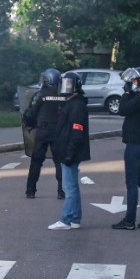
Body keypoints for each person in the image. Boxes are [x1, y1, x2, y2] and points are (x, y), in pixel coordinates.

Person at [111, 66, 140, 231]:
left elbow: (122, 110)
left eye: (134, 81)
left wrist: (126, 93)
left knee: (131, 183)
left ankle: (129, 219)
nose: (132, 83)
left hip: (134, 145)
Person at [49, 71, 89, 230]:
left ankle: (65, 219)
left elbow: (77, 132)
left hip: (69, 151)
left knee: (69, 188)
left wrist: (69, 153)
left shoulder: (76, 105)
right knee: (72, 187)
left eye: (68, 84)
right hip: (68, 150)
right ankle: (75, 218)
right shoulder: (72, 102)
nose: (64, 87)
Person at [23, 68, 65, 199]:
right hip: (58, 132)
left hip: (42, 132)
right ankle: (61, 191)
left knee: (36, 162)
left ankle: (31, 191)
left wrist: (28, 122)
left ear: (47, 80)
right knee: (59, 162)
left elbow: (31, 113)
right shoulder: (63, 96)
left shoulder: (40, 95)